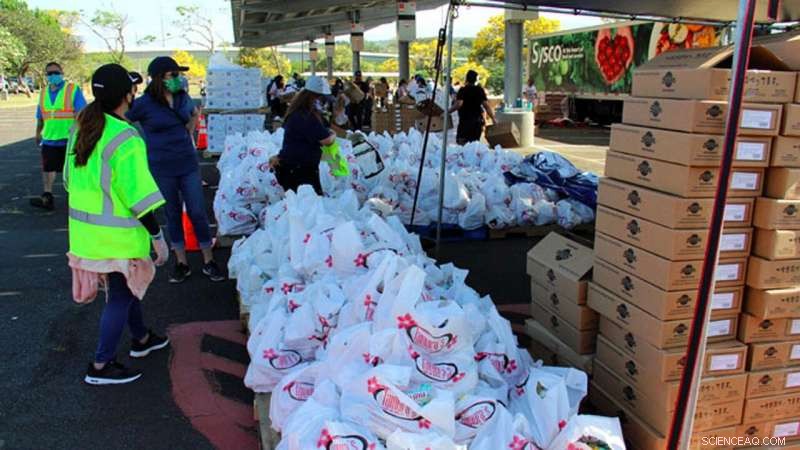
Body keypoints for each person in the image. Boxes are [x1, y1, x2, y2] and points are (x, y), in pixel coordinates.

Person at [65, 63, 170, 385]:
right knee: (122, 295)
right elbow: (138, 196)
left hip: (87, 235)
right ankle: (101, 365)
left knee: (124, 287)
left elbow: (70, 181)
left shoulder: (81, 127)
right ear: (128, 94)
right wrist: (157, 235)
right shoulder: (126, 137)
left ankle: (141, 338)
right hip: (119, 237)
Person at [126, 56, 225, 284]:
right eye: (173, 75)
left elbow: (190, 126)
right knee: (172, 214)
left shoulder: (183, 98)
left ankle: (208, 259)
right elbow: (123, 122)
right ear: (159, 78)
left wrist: (194, 120)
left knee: (198, 212)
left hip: (188, 164)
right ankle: (181, 262)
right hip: (162, 168)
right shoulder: (143, 104)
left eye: (178, 75)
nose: (178, 79)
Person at [32, 62, 87, 210]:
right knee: (48, 168)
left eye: (55, 72)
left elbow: (82, 112)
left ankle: (76, 198)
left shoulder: (72, 89)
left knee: (72, 170)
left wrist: (78, 129)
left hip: (69, 139)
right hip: (49, 138)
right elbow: (41, 116)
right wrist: (38, 133)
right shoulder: (43, 93)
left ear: (62, 72)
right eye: (49, 73)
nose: (52, 76)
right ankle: (47, 196)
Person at [271, 75, 336, 195]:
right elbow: (326, 140)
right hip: (299, 170)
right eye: (321, 99)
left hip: (297, 167)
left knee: (305, 206)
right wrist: (333, 135)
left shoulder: (299, 112)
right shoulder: (305, 115)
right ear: (314, 97)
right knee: (307, 205)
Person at [449, 70, 495, 145]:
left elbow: (459, 104)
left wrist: (447, 112)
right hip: (477, 123)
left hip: (465, 122)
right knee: (474, 145)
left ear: (466, 78)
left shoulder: (463, 90)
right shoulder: (479, 90)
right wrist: (493, 119)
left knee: (462, 144)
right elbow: (486, 106)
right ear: (476, 79)